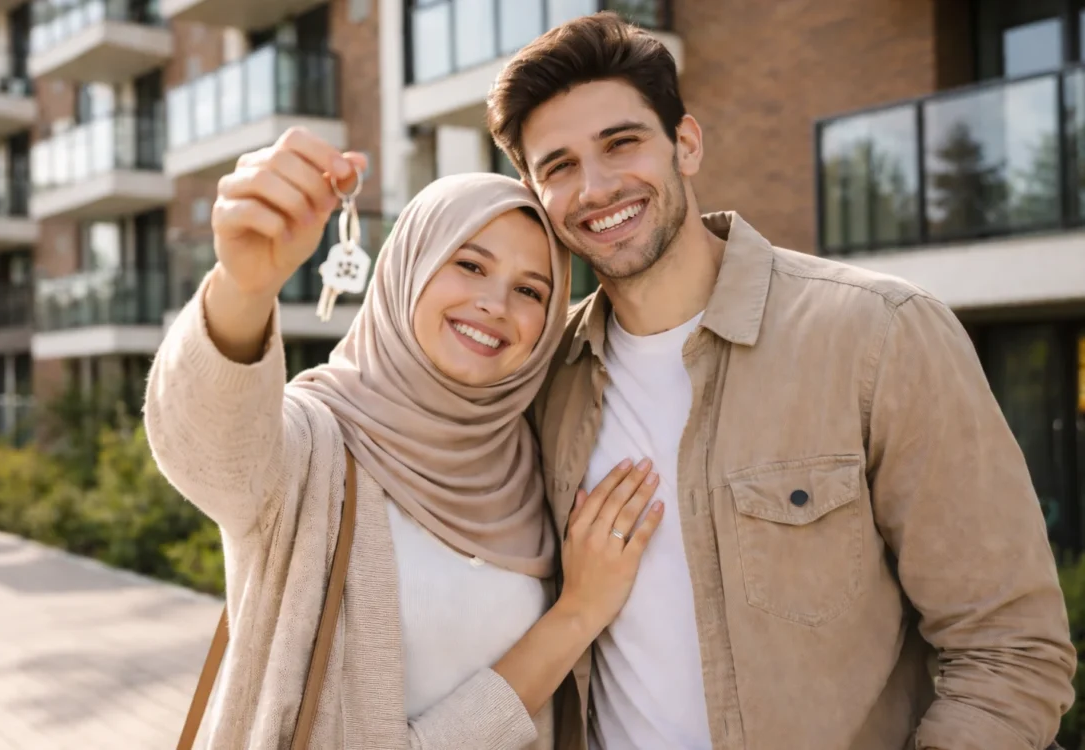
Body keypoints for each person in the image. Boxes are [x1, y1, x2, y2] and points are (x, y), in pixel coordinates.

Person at [484, 11, 1077, 750]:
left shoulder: (879, 333)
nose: (596, 187)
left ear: (686, 145)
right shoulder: (541, 378)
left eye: (621, 143)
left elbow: (1011, 649)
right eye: (559, 166)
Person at [143, 130, 668, 749]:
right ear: (408, 267)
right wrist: (244, 288)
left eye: (531, 290)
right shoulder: (319, 444)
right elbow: (210, 446)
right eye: (469, 264)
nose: (494, 303)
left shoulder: (535, 464)